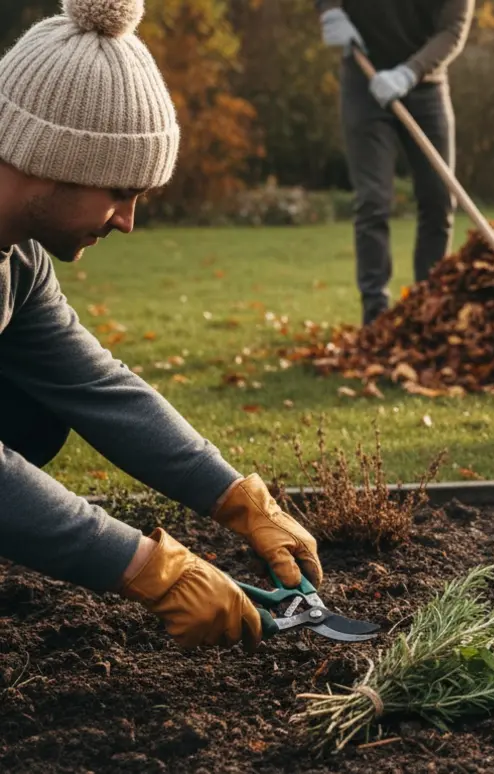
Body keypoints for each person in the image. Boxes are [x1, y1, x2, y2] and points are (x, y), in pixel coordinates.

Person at [0, 0, 322, 649]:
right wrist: (148, 568)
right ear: (44, 157)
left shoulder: (19, 258)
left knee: (32, 406)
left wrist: (239, 500)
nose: (127, 220)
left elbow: (97, 387)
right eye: (121, 191)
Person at [315, 0, 475, 326]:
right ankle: (376, 316)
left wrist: (409, 73)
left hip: (426, 86)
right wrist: (329, 10)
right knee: (373, 200)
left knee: (439, 199)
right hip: (364, 81)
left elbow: (452, 30)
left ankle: (428, 309)